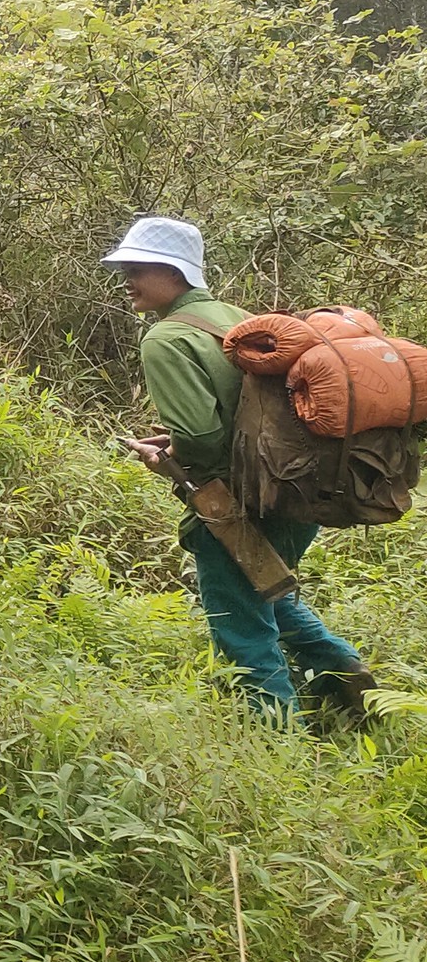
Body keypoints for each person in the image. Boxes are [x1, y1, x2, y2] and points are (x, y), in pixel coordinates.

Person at [104, 215, 376, 725]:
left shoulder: (166, 338)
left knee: (240, 621)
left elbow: (204, 439)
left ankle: (274, 740)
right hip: (305, 489)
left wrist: (168, 460)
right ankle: (343, 673)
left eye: (137, 267)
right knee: (265, 589)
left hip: (240, 501)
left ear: (172, 271)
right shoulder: (240, 318)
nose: (127, 279)